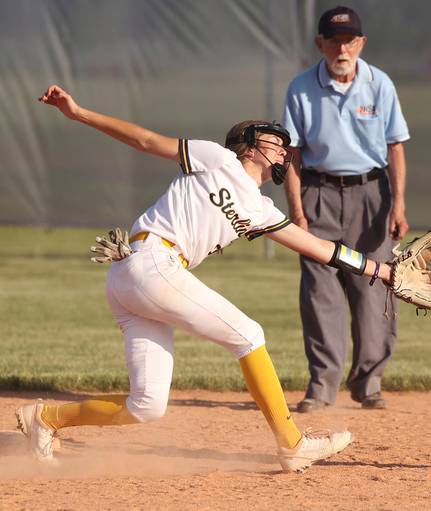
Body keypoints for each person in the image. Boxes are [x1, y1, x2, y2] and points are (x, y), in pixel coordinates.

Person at [16, 84, 396, 473]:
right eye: (274, 139)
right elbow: (146, 140)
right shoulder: (217, 158)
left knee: (147, 405)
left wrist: (382, 271)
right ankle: (292, 444)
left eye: (286, 144)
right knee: (248, 335)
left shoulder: (261, 209)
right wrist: (79, 113)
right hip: (149, 261)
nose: (283, 146)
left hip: (143, 277)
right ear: (248, 147)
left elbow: (317, 247)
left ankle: (45, 420)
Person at [281, 5, 410, 412]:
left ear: (361, 43)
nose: (343, 47)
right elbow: (292, 155)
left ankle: (369, 383)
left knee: (373, 287)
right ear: (319, 43)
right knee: (321, 292)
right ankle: (322, 386)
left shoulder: (379, 84)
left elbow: (395, 147)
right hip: (318, 193)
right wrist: (298, 213)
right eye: (334, 40)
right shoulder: (301, 88)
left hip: (371, 194)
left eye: (350, 39)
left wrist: (398, 204)